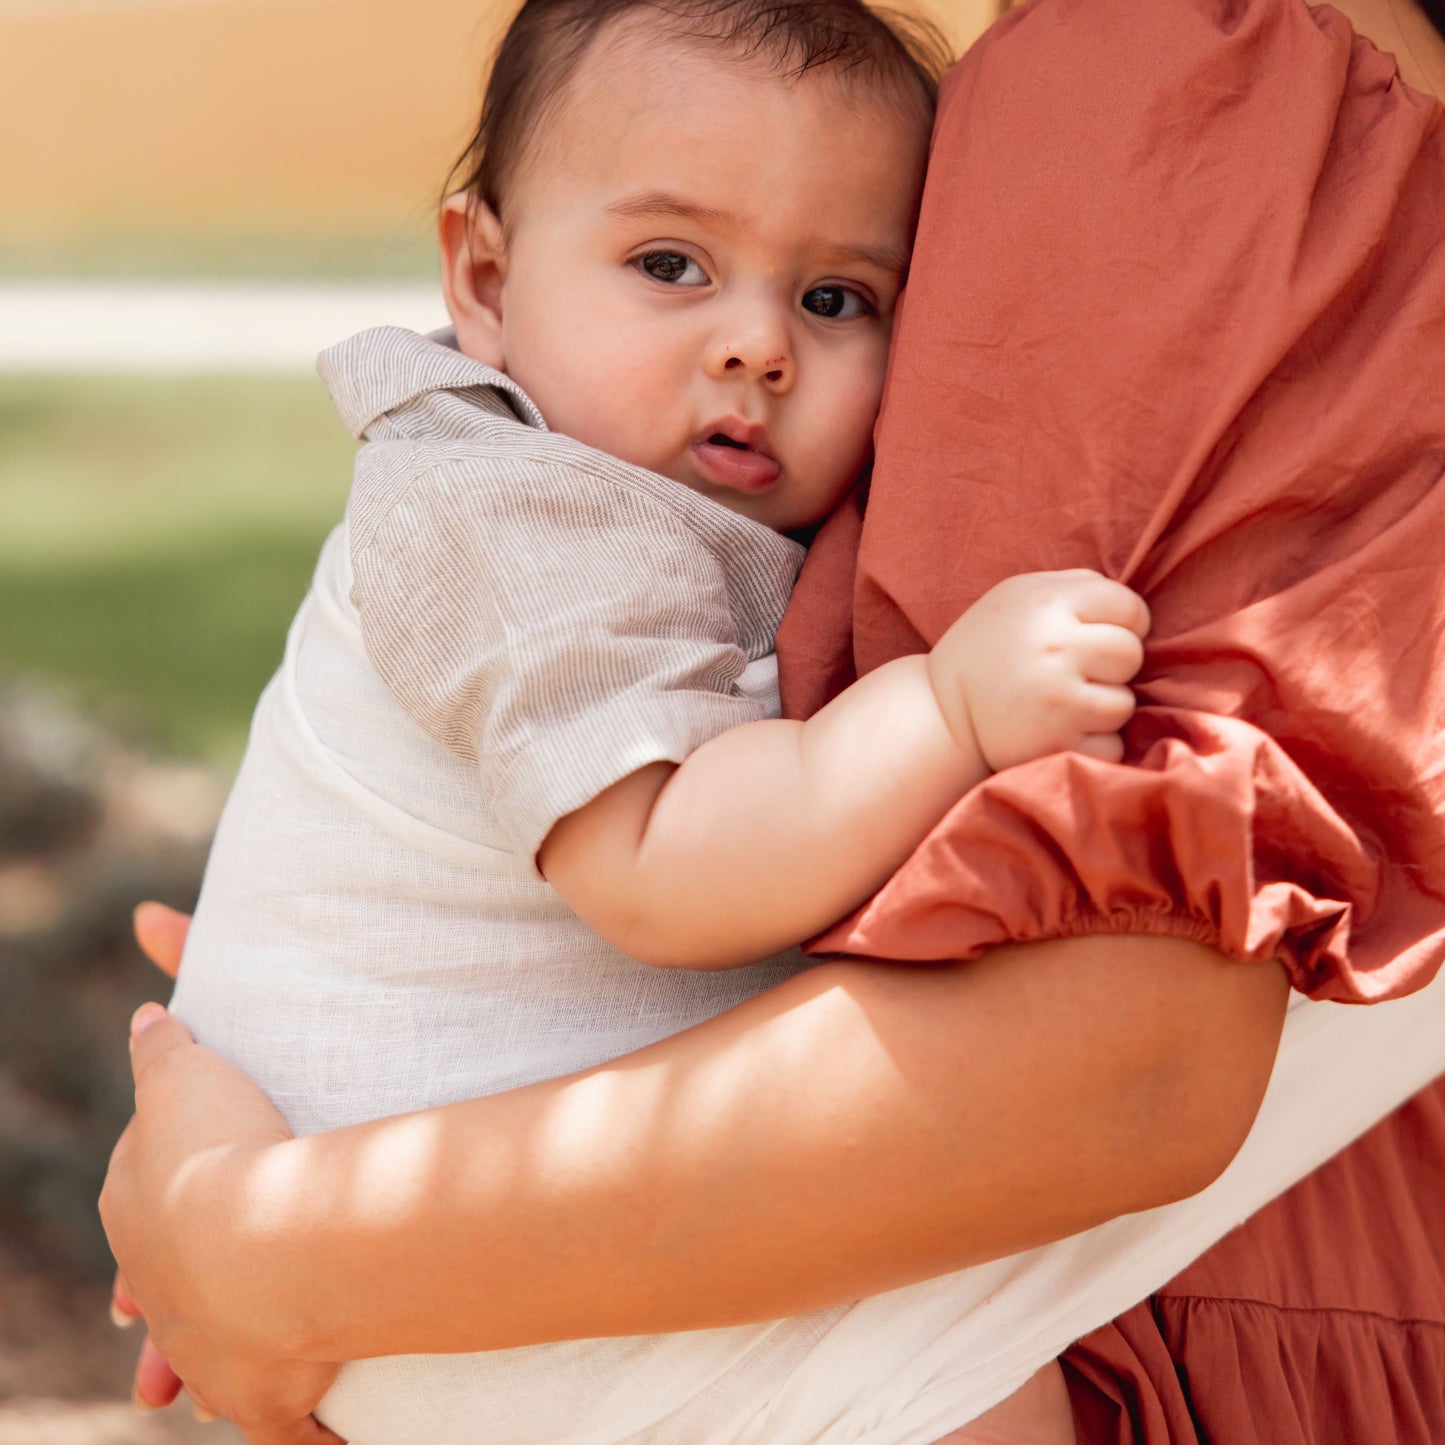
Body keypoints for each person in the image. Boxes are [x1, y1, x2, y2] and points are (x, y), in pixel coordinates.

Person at [102, 0, 1445, 1441]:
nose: (753, 345)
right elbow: (665, 863)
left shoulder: (1186, 96)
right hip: (490, 1246)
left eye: (835, 299)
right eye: (668, 265)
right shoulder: (514, 508)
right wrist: (939, 706)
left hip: (496, 1229)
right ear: (482, 279)